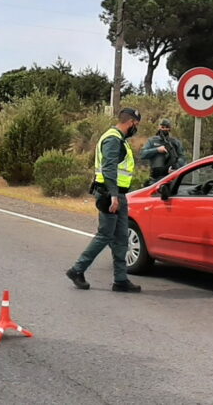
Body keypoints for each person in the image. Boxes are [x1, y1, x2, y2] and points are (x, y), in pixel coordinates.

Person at [66, 108, 142, 293]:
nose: (136, 129)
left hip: (118, 194)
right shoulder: (113, 139)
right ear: (130, 122)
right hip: (110, 194)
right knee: (105, 235)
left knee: (121, 238)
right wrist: (114, 196)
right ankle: (77, 270)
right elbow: (108, 169)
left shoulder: (119, 139)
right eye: (136, 125)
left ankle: (120, 279)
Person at [141, 118, 186, 184]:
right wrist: (157, 150)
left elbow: (182, 157)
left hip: (171, 177)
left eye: (167, 127)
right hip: (155, 179)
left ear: (170, 128)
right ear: (159, 127)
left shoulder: (175, 142)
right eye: (162, 127)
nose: (164, 129)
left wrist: (176, 166)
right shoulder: (152, 141)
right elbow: (143, 154)